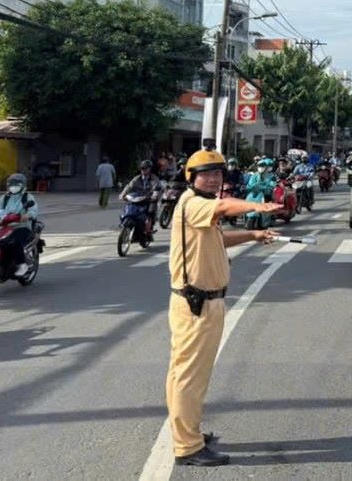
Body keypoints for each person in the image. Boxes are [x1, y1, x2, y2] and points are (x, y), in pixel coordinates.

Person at [165, 149, 282, 467]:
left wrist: (252, 234)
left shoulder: (202, 211)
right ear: (191, 177)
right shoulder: (195, 203)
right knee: (190, 377)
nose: (214, 178)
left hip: (200, 303)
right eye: (206, 173)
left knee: (184, 375)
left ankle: (187, 432)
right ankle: (187, 447)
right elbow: (225, 205)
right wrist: (257, 206)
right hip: (197, 305)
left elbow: (217, 238)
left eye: (218, 173)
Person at [0, 173, 40, 277]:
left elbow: (33, 211)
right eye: (11, 184)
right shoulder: (4, 198)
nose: (13, 187)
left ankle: (22, 264)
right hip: (5, 226)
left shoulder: (27, 197)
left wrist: (26, 216)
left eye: (16, 184)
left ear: (23, 185)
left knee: (14, 240)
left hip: (22, 227)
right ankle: (1, 263)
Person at [120, 160, 164, 236]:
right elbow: (129, 186)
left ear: (150, 169)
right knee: (128, 209)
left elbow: (157, 188)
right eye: (142, 168)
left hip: (149, 199)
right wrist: (123, 194)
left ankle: (148, 229)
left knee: (150, 211)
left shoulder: (154, 178)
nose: (143, 170)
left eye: (145, 168)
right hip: (137, 198)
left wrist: (154, 196)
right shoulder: (137, 178)